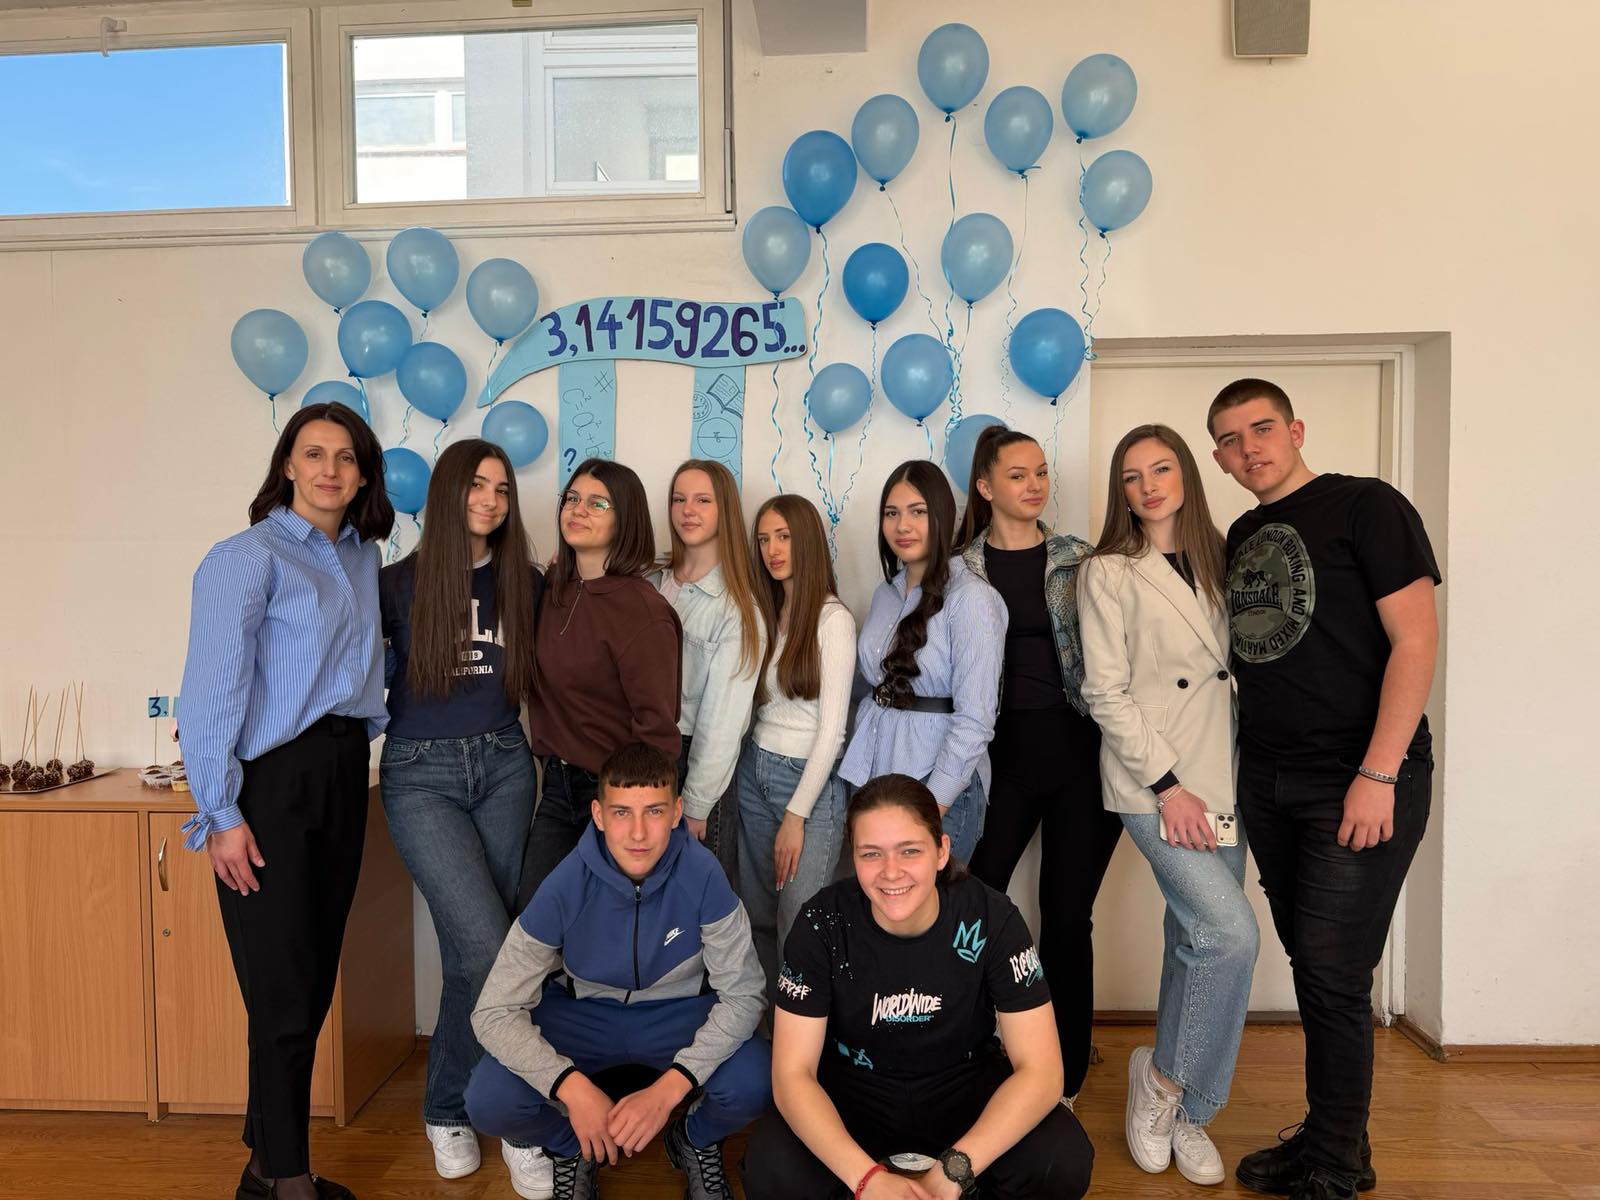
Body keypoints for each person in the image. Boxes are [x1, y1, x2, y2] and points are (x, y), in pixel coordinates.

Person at [1208, 379, 1439, 1200]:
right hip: (1270, 778)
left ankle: (1335, 1166)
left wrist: (1378, 773)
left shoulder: (1367, 506)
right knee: (1315, 965)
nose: (1249, 448)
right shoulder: (1243, 535)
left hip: (1359, 774)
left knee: (1334, 974)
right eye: (1230, 439)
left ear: (1296, 429)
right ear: (1219, 459)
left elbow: (1416, 641)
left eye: (1262, 428)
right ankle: (1337, 1137)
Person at [178, 401, 392, 1200]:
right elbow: (208, 697)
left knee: (306, 982)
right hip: (271, 784)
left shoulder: (363, 558)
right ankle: (288, 1177)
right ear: (288, 466)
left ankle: (263, 1165)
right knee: (281, 989)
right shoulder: (245, 558)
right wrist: (223, 814)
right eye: (313, 453)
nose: (329, 469)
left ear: (363, 475)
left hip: (343, 771)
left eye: (346, 456)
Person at [743, 773, 1094, 1200]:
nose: (891, 872)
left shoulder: (991, 917)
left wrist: (956, 1169)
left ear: (942, 851)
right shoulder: (821, 924)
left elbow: (1043, 1072)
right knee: (771, 1166)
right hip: (854, 1089)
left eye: (909, 851)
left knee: (1062, 1157)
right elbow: (792, 1075)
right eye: (871, 854)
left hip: (961, 1085)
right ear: (854, 857)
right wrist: (866, 1179)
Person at [465, 741, 771, 1200]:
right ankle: (575, 1149)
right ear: (599, 815)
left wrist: (670, 1090)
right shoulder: (565, 883)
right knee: (489, 1100)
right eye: (622, 813)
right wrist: (570, 1088)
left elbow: (745, 996)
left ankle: (693, 1139)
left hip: (677, 1013)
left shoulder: (703, 875)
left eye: (654, 811)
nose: (638, 833)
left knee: (758, 1080)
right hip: (585, 1015)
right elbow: (492, 1012)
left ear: (676, 812)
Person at [1078, 423, 1261, 1185]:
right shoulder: (1108, 572)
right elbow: (1104, 692)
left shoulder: (1227, 556)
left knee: (1196, 939)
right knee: (1231, 936)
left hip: (1226, 779)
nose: (1149, 486)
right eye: (1132, 476)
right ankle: (1165, 1083)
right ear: (1121, 492)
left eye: (1161, 469)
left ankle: (1187, 1117)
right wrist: (1168, 787)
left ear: (1186, 473)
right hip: (1155, 784)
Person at [378, 438, 548, 1192]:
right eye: (477, 485)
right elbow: (348, 676)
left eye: (502, 489)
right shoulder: (393, 585)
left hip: (507, 766)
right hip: (421, 775)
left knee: (472, 956)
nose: (490, 500)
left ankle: (458, 1108)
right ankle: (493, 1111)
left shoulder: (523, 582)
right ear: (447, 492)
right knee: (490, 949)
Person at [955, 423, 1121, 1104]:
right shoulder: (959, 569)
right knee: (973, 898)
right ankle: (970, 1049)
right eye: (1018, 475)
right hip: (998, 761)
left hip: (1080, 754)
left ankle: (1066, 1075)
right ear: (985, 486)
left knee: (1066, 915)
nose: (1035, 485)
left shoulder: (1081, 560)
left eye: (1042, 472)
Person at [518, 458, 681, 907]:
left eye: (597, 503)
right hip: (557, 787)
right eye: (572, 498)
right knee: (535, 921)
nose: (578, 509)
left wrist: (634, 814)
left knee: (607, 927)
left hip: (618, 795)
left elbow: (657, 732)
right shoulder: (552, 590)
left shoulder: (643, 612)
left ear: (624, 518)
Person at [840, 460, 1006, 863]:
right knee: (878, 896)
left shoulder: (971, 599)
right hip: (874, 778)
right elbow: (869, 682)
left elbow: (976, 718)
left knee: (933, 900)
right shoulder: (885, 594)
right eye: (891, 513)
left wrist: (934, 806)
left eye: (917, 511)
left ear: (943, 516)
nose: (903, 526)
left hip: (936, 787)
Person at [736, 493, 857, 997]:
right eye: (764, 539)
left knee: (800, 924)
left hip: (806, 783)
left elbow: (833, 732)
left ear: (807, 540)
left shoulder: (833, 619)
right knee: (756, 917)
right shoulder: (768, 611)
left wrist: (796, 815)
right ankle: (765, 1028)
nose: (772, 550)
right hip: (754, 772)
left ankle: (803, 1035)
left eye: (783, 537)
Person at [654, 459, 764, 869]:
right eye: (679, 499)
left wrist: (697, 803)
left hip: (693, 764)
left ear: (725, 511)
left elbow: (723, 723)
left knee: (693, 895)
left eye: (703, 500)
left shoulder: (737, 609)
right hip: (641, 752)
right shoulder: (651, 581)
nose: (688, 510)